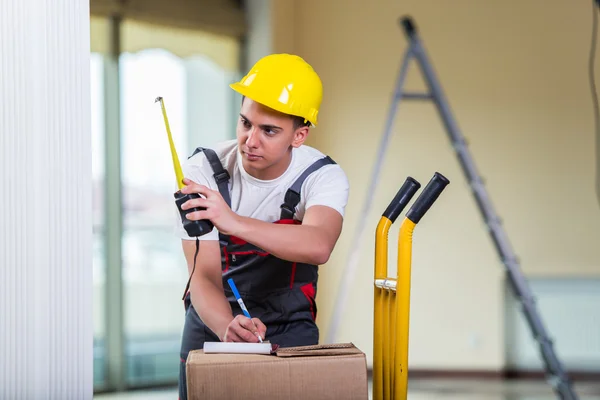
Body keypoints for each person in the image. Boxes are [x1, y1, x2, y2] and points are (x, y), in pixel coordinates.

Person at [174, 53, 350, 400]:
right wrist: (227, 327)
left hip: (289, 322)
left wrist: (231, 220)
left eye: (269, 130)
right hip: (212, 316)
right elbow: (202, 275)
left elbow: (319, 245)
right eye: (245, 123)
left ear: (298, 136)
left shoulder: (322, 176)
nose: (250, 140)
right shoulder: (203, 171)